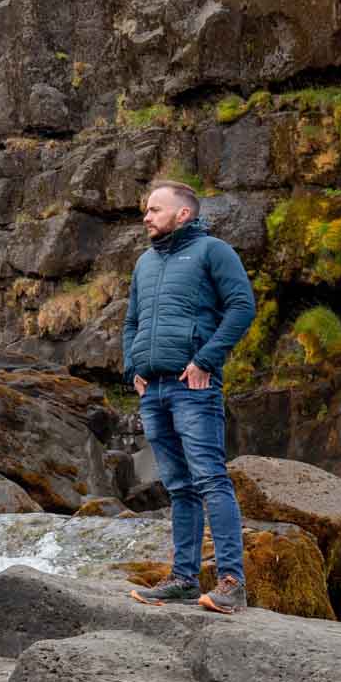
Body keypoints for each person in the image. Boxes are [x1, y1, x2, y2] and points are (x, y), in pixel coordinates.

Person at [122, 180, 256, 614]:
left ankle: (232, 584)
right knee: (179, 487)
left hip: (193, 386)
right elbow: (131, 322)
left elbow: (242, 307)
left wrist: (205, 361)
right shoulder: (144, 262)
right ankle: (183, 579)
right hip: (154, 388)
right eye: (146, 210)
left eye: (155, 210)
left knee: (211, 480)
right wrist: (133, 369)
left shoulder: (213, 251)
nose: (146, 217)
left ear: (183, 214)